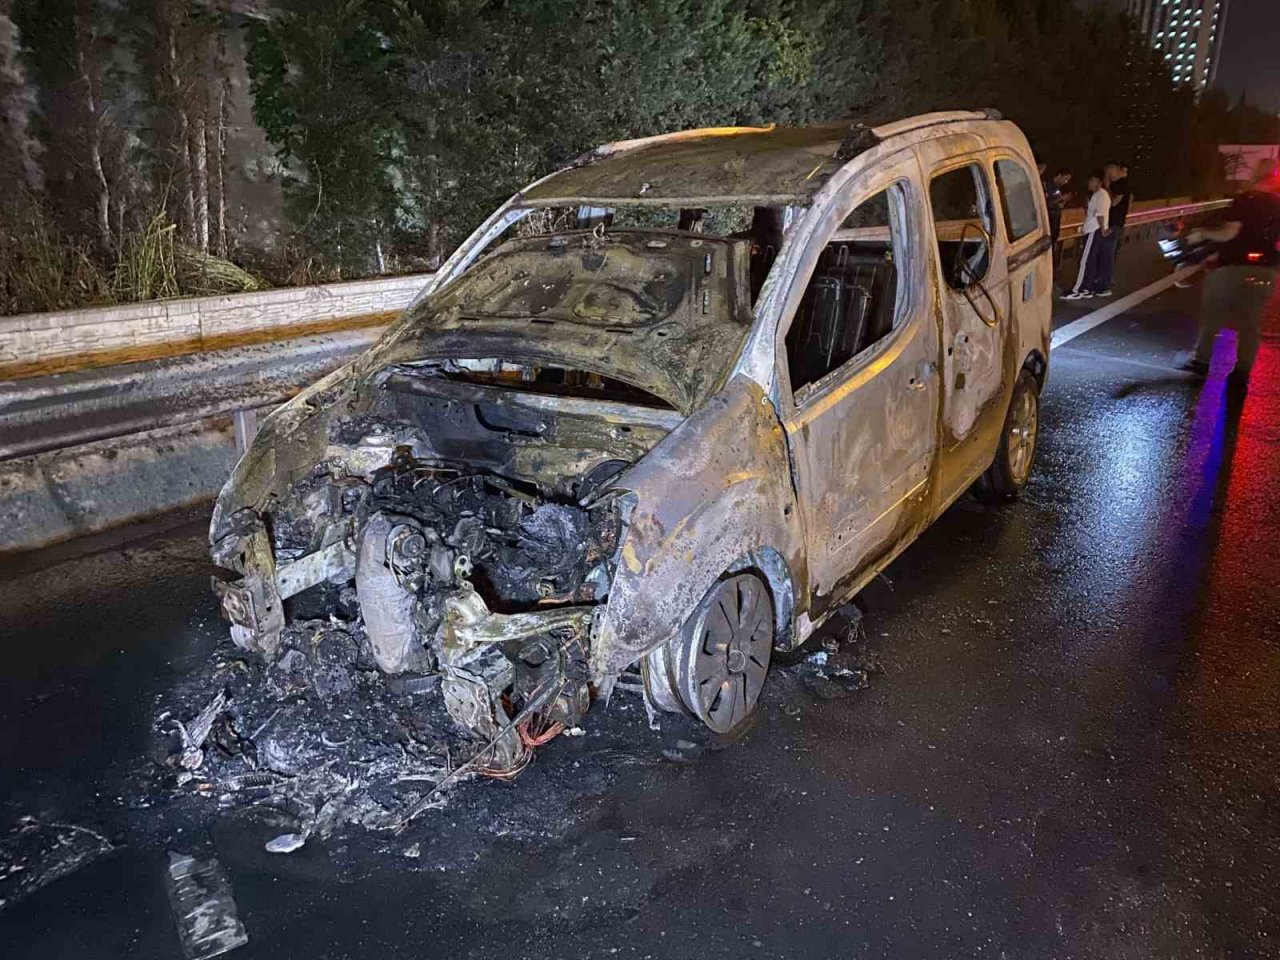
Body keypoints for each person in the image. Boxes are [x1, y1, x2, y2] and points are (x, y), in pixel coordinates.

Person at [1176, 159, 1280, 388]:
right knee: (1250, 323)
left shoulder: (1245, 200)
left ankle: (1202, 360)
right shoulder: (1278, 204)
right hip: (1267, 270)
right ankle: (1242, 372)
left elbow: (1229, 233)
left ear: (1256, 175)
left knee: (1213, 316)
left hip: (1233, 268)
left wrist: (1202, 234)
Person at [1061, 170, 1111, 300]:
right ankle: (1086, 288)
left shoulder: (1101, 195)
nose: (1089, 183)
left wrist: (1102, 230)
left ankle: (1078, 290)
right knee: (1089, 261)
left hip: (1093, 231)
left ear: (1098, 182)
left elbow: (1100, 215)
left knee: (1085, 261)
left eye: (1091, 181)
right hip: (1092, 230)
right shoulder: (1097, 195)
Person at [1095, 162, 1130, 296]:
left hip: (1113, 224)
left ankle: (1104, 284)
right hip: (1116, 223)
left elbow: (1113, 202)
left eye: (1109, 172)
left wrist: (1107, 187)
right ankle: (1106, 279)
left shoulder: (1121, 184)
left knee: (1107, 254)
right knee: (1109, 253)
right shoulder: (1123, 184)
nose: (1108, 175)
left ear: (1116, 169)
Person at [1041, 165, 1073, 269]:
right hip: (1048, 221)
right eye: (1065, 179)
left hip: (1055, 222)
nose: (1066, 182)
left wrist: (1063, 202)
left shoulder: (1058, 189)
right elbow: (1044, 204)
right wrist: (1059, 200)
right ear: (1059, 176)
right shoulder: (1046, 186)